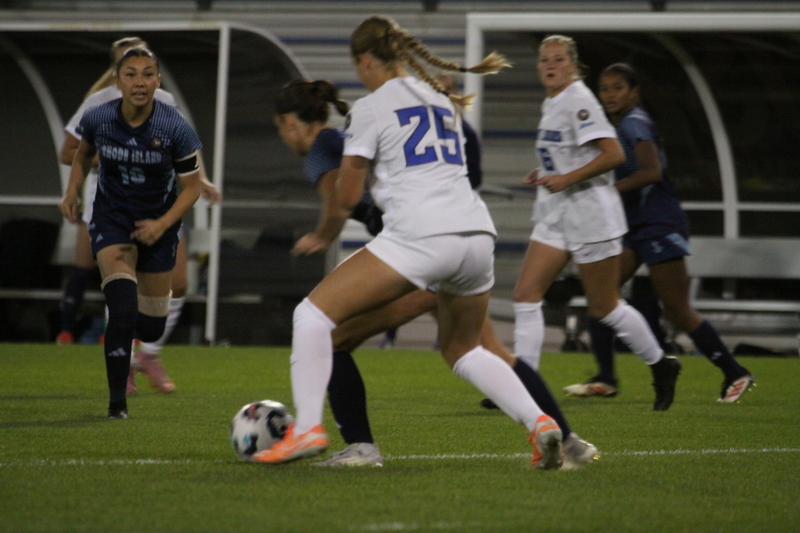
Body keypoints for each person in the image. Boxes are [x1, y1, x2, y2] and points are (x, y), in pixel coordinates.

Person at [254, 16, 566, 469]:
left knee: (312, 316)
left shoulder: (370, 108)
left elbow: (346, 198)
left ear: (365, 60)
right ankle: (540, 423)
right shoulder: (441, 98)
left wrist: (324, 234)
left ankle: (306, 430)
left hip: (422, 235)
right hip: (477, 235)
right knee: (464, 349)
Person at [564, 63, 754, 403]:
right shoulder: (618, 125)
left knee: (676, 309)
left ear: (634, 92)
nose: (609, 94)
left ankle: (734, 371)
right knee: (601, 297)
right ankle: (606, 377)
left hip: (658, 223)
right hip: (634, 226)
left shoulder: (635, 123)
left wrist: (609, 191)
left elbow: (652, 172)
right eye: (604, 88)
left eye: (618, 88)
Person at [512, 35, 681, 412]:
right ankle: (524, 385)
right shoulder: (552, 101)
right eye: (544, 60)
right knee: (525, 295)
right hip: (556, 213)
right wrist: (546, 171)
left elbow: (614, 154)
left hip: (590, 214)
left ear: (573, 66)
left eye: (558, 59)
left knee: (604, 307)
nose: (550, 65)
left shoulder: (580, 100)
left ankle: (661, 364)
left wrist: (567, 178)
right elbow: (570, 154)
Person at [57, 37, 221, 395]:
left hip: (159, 206)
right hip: (111, 205)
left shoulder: (165, 104)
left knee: (179, 284)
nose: (139, 80)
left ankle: (148, 353)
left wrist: (203, 179)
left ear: (156, 75)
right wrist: (116, 155)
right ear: (116, 74)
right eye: (129, 71)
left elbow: (184, 149)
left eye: (147, 72)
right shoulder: (97, 104)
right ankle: (123, 362)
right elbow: (71, 151)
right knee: (120, 286)